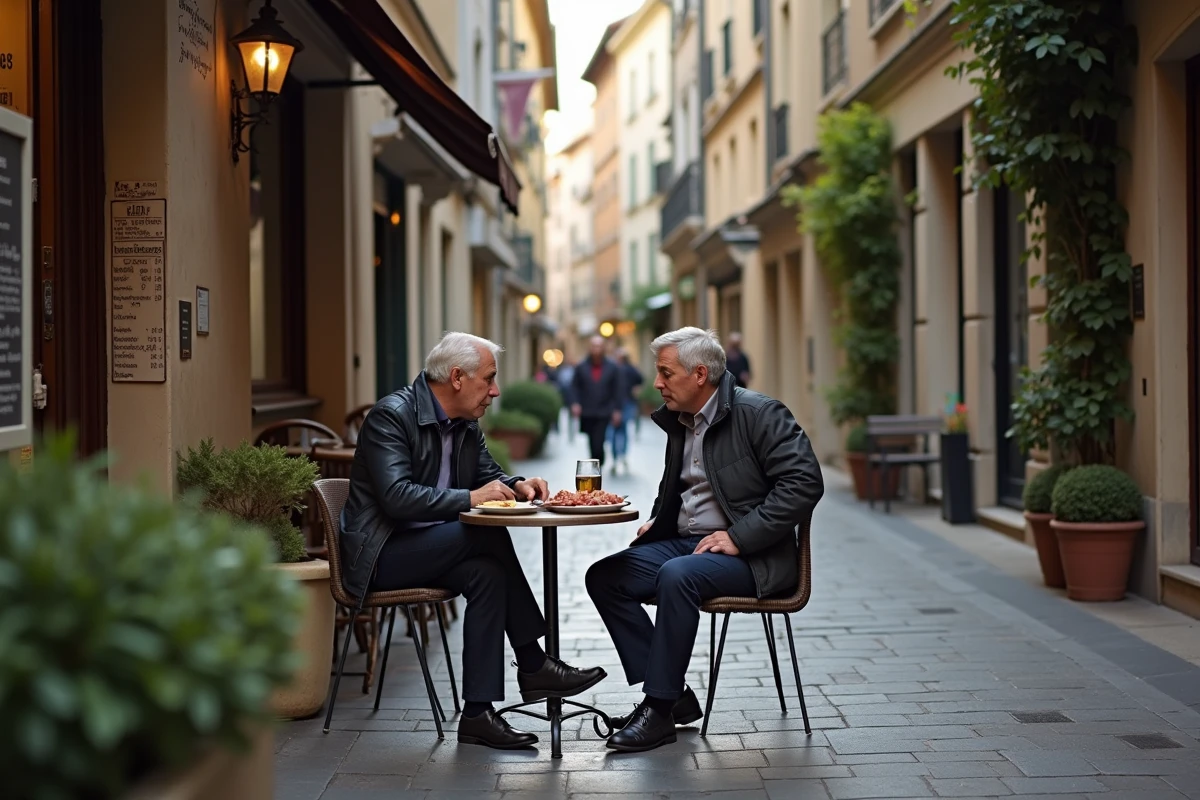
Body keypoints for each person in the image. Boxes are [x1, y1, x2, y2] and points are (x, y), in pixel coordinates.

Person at [341, 332, 607, 750]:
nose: (496, 391)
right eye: (489, 379)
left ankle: (478, 714)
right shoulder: (390, 417)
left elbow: (489, 473)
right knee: (482, 531)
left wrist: (519, 485)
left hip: (433, 548)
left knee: (486, 574)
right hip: (382, 555)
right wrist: (470, 498)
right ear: (458, 378)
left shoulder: (466, 424)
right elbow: (395, 498)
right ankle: (534, 662)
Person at [585, 327, 824, 753]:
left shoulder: (759, 413)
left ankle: (657, 711)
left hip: (756, 556)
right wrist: (658, 522)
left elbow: (805, 483)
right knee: (605, 576)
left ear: (699, 374)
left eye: (665, 373)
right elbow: (682, 489)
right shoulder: (681, 420)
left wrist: (738, 536)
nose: (656, 383)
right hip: (692, 544)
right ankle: (674, 695)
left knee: (679, 576)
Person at [570, 335, 624, 469]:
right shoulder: (581, 366)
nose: (596, 349)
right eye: (594, 346)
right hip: (587, 410)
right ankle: (596, 460)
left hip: (604, 410)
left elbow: (617, 389)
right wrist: (575, 403)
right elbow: (574, 386)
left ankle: (597, 462)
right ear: (589, 348)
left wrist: (617, 409)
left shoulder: (612, 367)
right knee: (591, 439)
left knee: (598, 440)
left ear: (603, 348)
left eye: (599, 346)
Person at [607, 347, 644, 474]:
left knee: (615, 430)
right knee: (622, 430)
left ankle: (617, 455)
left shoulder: (616, 369)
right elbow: (640, 379)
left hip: (622, 403)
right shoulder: (629, 369)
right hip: (626, 403)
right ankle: (621, 454)